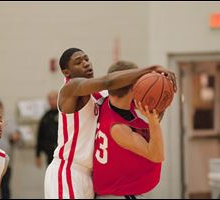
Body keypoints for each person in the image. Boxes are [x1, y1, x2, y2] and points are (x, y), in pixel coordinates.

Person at [44, 47, 176, 199]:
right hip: (68, 169)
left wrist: (161, 101)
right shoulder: (70, 89)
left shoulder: (102, 95)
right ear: (67, 72)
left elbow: (124, 91)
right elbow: (108, 81)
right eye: (78, 62)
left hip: (89, 177)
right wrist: (152, 69)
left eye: (86, 59)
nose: (86, 64)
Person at [93, 61, 166, 199]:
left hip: (120, 191)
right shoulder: (118, 128)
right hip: (117, 194)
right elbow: (157, 155)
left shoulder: (108, 101)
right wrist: (153, 123)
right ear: (134, 87)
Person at [0, 97, 21, 199]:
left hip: (5, 162)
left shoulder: (8, 122)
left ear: (1, 109)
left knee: (5, 188)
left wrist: (15, 136)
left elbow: (18, 136)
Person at [35, 91, 59, 168]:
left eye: (53, 99)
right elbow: (39, 136)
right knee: (51, 175)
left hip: (63, 152)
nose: (51, 101)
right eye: (50, 99)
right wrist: (37, 154)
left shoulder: (64, 114)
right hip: (50, 152)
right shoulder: (45, 117)